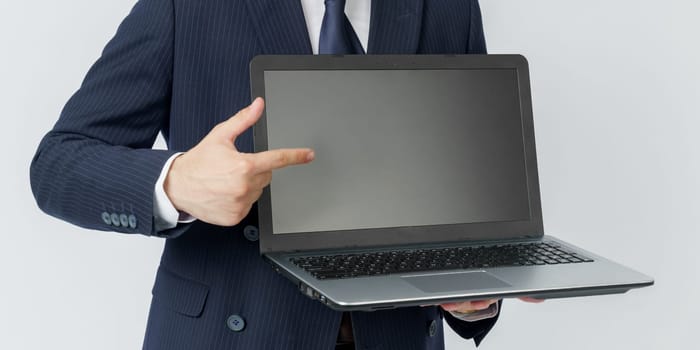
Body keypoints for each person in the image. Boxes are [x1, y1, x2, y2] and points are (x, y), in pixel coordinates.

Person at [30, 0, 539, 349]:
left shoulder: (447, 6)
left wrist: (471, 292)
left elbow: (463, 186)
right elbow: (58, 164)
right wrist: (176, 182)